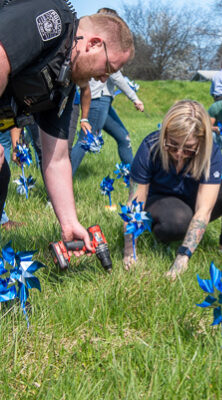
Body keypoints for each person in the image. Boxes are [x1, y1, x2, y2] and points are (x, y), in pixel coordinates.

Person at [0, 0, 134, 250]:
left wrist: (69, 222)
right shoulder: (50, 18)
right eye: (108, 68)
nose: (104, 78)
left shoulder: (63, 85)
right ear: (93, 44)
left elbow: (58, 158)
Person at [123, 100, 222, 279]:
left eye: (189, 150)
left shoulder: (211, 153)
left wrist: (182, 259)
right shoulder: (150, 146)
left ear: (201, 143)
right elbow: (135, 203)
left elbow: (204, 210)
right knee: (177, 221)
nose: (178, 154)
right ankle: (161, 236)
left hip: (193, 199)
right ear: (165, 135)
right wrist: (130, 252)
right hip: (162, 201)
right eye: (172, 145)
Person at [70, 7, 144, 176]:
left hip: (105, 102)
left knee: (123, 137)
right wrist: (135, 98)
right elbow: (117, 78)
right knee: (84, 141)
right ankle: (58, 190)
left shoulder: (110, 50)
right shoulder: (108, 51)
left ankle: (132, 177)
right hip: (97, 101)